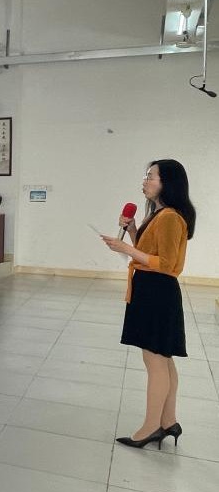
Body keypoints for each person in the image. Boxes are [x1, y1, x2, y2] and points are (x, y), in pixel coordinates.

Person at [101, 159, 196, 450]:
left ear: (167, 182)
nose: (145, 181)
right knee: (163, 359)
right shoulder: (160, 214)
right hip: (152, 289)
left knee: (155, 361)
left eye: (151, 176)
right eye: (146, 176)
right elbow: (149, 251)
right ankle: (168, 421)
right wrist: (132, 231)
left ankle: (151, 427)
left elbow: (165, 264)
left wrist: (125, 248)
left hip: (157, 291)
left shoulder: (169, 217)